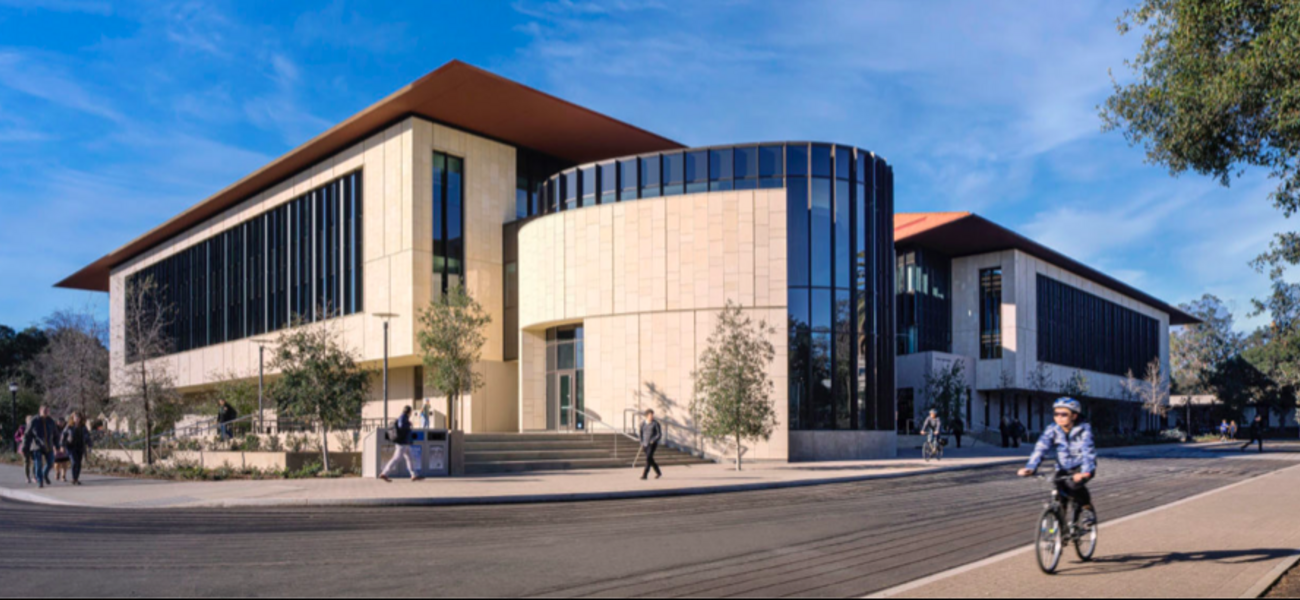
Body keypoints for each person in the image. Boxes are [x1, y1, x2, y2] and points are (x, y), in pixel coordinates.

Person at [1018, 397, 1097, 525]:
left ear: (1074, 416)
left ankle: (1087, 508)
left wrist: (1085, 472)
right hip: (1063, 467)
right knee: (1059, 490)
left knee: (1073, 485)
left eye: (1064, 414)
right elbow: (1041, 448)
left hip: (1081, 467)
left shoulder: (1084, 430)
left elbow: (1088, 451)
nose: (1059, 417)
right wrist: (1031, 467)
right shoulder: (1052, 429)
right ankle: (1062, 530)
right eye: (1056, 414)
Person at [380, 405, 421, 482]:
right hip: (402, 443)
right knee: (396, 459)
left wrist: (408, 423)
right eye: (410, 412)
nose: (411, 413)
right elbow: (401, 426)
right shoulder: (403, 417)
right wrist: (409, 424)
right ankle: (384, 473)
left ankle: (413, 475)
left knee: (410, 459)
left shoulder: (404, 417)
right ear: (409, 411)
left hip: (405, 443)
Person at [23, 406, 59, 489]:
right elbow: (27, 434)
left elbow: (56, 434)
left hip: (48, 445)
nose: (46, 412)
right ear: (40, 411)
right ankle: (40, 481)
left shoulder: (50, 421)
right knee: (38, 464)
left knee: (51, 462)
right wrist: (25, 446)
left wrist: (57, 445)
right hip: (36, 445)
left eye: (47, 411)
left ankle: (44, 474)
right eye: (44, 411)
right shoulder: (34, 420)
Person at [61, 413, 91, 486]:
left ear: (80, 419)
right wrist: (62, 445)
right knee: (74, 461)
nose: (77, 419)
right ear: (73, 418)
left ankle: (76, 478)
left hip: (80, 447)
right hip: (71, 447)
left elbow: (87, 436)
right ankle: (73, 478)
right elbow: (63, 435)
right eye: (75, 418)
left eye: (78, 418)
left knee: (79, 463)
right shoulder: (69, 426)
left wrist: (89, 444)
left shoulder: (83, 427)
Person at [639, 409, 662, 480]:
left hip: (652, 444)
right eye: (650, 415)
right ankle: (658, 472)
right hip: (645, 444)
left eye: (652, 415)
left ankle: (645, 474)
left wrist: (653, 440)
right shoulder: (643, 424)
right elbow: (641, 434)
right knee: (650, 459)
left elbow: (659, 434)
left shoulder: (655, 423)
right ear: (647, 416)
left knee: (648, 458)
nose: (651, 417)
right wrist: (641, 442)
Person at [52, 417, 70, 483]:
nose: (61, 423)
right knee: (57, 463)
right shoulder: (54, 429)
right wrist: (53, 447)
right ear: (57, 422)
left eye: (62, 422)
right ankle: (57, 472)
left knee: (64, 462)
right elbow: (52, 438)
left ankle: (63, 476)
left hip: (65, 447)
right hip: (56, 447)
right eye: (59, 422)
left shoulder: (66, 428)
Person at [15, 416, 32, 484]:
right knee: (26, 462)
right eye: (29, 421)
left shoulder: (35, 428)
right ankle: (27, 477)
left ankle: (34, 476)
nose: (30, 422)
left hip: (33, 446)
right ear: (26, 421)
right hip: (24, 447)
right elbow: (16, 436)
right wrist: (20, 439)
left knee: (35, 461)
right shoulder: (22, 428)